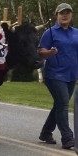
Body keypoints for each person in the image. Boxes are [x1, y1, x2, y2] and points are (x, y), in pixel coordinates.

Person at [38, 3, 78, 149]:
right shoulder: (50, 32)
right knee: (63, 105)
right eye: (62, 13)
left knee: (59, 105)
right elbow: (41, 51)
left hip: (71, 75)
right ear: (57, 15)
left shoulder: (76, 33)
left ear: (71, 15)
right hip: (54, 74)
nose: (65, 15)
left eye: (68, 13)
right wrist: (49, 53)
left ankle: (46, 132)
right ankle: (68, 138)